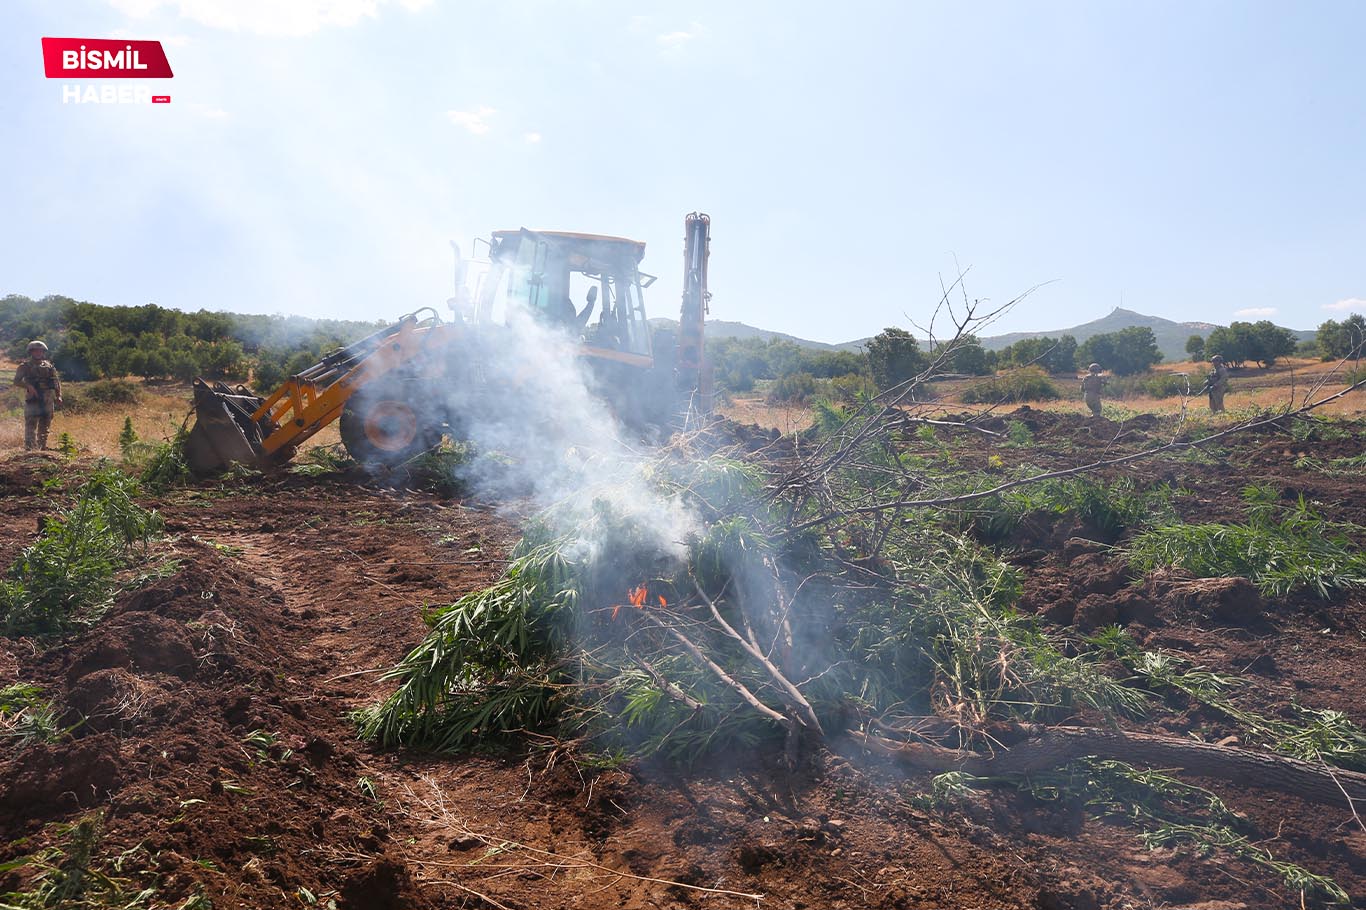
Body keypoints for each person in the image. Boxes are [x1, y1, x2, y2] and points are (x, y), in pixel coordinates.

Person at [13, 340, 62, 451]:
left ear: (43, 352)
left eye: (40, 351)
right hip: (33, 398)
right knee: (31, 424)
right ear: (31, 352)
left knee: (45, 424)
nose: (38, 353)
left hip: (47, 399)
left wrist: (59, 395)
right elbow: (16, 381)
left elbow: (56, 382)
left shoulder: (49, 366)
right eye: (35, 351)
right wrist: (28, 386)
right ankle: (30, 449)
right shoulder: (24, 366)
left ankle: (42, 447)